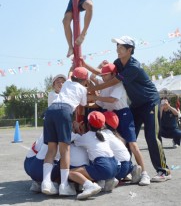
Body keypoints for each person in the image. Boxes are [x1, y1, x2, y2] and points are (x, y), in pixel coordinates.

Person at [85, 36, 171, 182]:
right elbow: (105, 74)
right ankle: (128, 168)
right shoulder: (118, 63)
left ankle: (163, 171)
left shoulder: (133, 67)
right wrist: (84, 64)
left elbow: (111, 81)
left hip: (150, 102)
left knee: (151, 136)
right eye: (117, 47)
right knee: (127, 138)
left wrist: (94, 91)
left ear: (129, 50)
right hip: (136, 105)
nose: (117, 50)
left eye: (121, 48)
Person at [85, 61, 150, 185]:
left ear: (113, 74)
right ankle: (123, 172)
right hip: (108, 116)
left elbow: (112, 99)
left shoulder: (118, 84)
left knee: (132, 144)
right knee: (111, 145)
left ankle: (144, 174)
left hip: (122, 114)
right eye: (102, 75)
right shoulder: (102, 85)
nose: (102, 77)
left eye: (105, 74)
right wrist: (83, 103)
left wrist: (95, 97)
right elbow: (97, 100)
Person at [41, 67, 88, 196]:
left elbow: (71, 72)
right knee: (64, 150)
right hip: (65, 111)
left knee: (51, 149)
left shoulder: (67, 83)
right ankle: (64, 185)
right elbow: (83, 104)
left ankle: (46, 183)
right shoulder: (83, 89)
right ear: (84, 80)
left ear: (72, 77)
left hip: (51, 111)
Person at [69, 111, 119, 200]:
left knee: (70, 173)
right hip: (115, 166)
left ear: (88, 124)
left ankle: (89, 186)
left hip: (103, 167)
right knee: (94, 166)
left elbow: (74, 140)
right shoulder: (105, 134)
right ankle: (108, 180)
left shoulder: (86, 137)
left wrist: (76, 129)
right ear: (103, 125)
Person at [102, 111, 142, 183]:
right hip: (128, 164)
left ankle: (111, 179)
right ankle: (132, 170)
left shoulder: (103, 134)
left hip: (119, 168)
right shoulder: (117, 135)